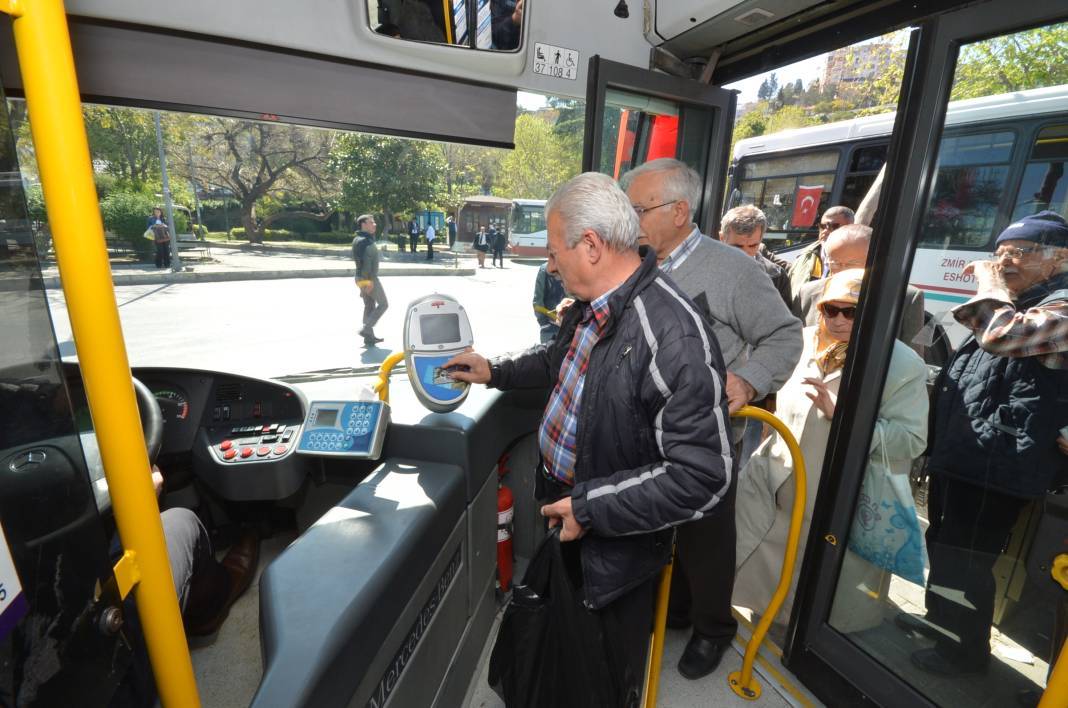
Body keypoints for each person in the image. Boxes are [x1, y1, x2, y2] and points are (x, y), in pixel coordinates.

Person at [445, 172, 733, 707]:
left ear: (593, 246)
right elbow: (561, 362)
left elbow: (702, 476)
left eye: (555, 253)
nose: (550, 266)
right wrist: (494, 370)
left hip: (611, 535)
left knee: (600, 674)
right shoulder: (592, 307)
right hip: (571, 508)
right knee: (559, 654)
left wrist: (589, 507)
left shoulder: (672, 334)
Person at [620, 157, 802, 680]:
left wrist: (746, 381)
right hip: (643, 426)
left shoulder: (735, 270)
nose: (630, 220)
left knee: (704, 538)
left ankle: (713, 629)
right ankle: (673, 611)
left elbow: (785, 335)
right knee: (653, 522)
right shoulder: (635, 262)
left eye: (639, 209)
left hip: (705, 432)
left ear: (679, 211)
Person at [896, 211, 1068, 677]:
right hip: (968, 454)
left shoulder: (1058, 307)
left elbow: (1002, 336)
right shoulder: (1017, 301)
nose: (1005, 261)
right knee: (945, 543)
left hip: (1003, 464)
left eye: (1020, 252)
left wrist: (989, 284)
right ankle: (942, 624)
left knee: (968, 558)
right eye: (1000, 252)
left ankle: (964, 653)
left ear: (1059, 260)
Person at [733, 269, 928, 634]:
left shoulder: (901, 364)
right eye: (830, 309)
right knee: (765, 577)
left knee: (822, 595)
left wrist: (844, 417)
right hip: (777, 486)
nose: (838, 320)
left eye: (851, 311)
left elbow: (912, 439)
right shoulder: (800, 341)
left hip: (837, 497)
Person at [794, 224, 926, 357]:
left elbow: (913, 360)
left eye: (853, 264)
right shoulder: (808, 292)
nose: (844, 270)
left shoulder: (906, 298)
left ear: (875, 261)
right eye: (835, 263)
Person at [719, 204, 791, 307]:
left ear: (760, 240)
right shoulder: (701, 270)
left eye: (752, 246)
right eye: (737, 247)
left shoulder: (778, 278)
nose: (745, 254)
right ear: (722, 238)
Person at [786, 205, 855, 296]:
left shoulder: (857, 262)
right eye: (822, 226)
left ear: (849, 228)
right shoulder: (806, 255)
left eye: (833, 226)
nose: (825, 231)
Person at [353, 214, 388, 346]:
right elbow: (366, 263)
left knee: (369, 305)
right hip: (368, 278)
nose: (375, 224)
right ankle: (366, 329)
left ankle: (369, 337)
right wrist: (369, 282)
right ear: (363, 224)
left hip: (360, 278)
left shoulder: (359, 239)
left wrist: (362, 284)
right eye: (371, 222)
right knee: (384, 304)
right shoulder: (365, 241)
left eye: (374, 222)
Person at [532, 261, 565, 343]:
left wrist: (543, 322)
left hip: (550, 324)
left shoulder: (544, 268)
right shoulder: (571, 266)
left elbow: (537, 300)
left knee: (547, 353)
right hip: (562, 324)